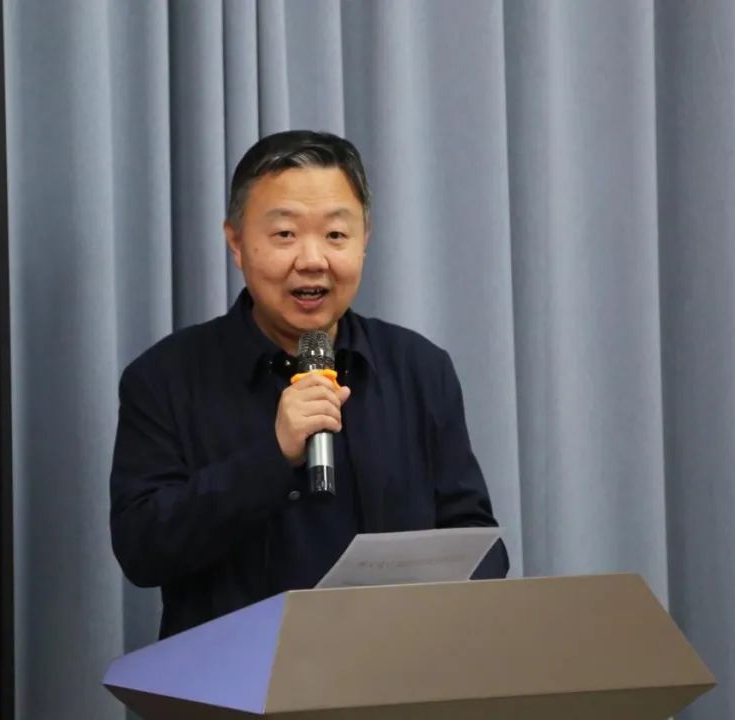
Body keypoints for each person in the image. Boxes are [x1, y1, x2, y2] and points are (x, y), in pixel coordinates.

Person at [110, 130, 509, 639]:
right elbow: (142, 551)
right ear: (236, 242)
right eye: (285, 234)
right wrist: (272, 456)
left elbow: (477, 540)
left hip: (390, 666)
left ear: (365, 239)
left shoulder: (420, 368)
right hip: (233, 675)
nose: (313, 260)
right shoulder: (164, 377)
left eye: (336, 235)